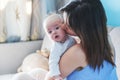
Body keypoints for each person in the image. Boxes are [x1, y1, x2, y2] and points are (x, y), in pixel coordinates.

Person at [49, 0, 117, 80]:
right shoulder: (107, 40)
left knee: (36, 72)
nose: (63, 27)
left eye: (68, 26)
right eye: (63, 21)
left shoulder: (77, 52)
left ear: (83, 30)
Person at [43, 13, 76, 80]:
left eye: (57, 28)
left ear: (65, 27)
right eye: (50, 32)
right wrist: (56, 76)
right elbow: (52, 62)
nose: (54, 32)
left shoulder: (71, 38)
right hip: (61, 72)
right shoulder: (56, 47)